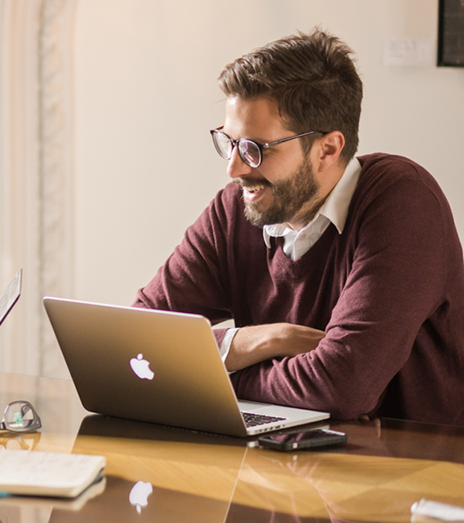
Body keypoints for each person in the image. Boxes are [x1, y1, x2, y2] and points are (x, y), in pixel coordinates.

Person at [134, 29, 464, 426]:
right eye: (230, 142)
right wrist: (258, 340)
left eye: (255, 149)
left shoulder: (402, 202)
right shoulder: (235, 209)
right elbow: (137, 339)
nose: (234, 168)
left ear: (328, 149)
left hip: (410, 471)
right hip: (283, 464)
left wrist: (210, 370)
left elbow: (341, 387)